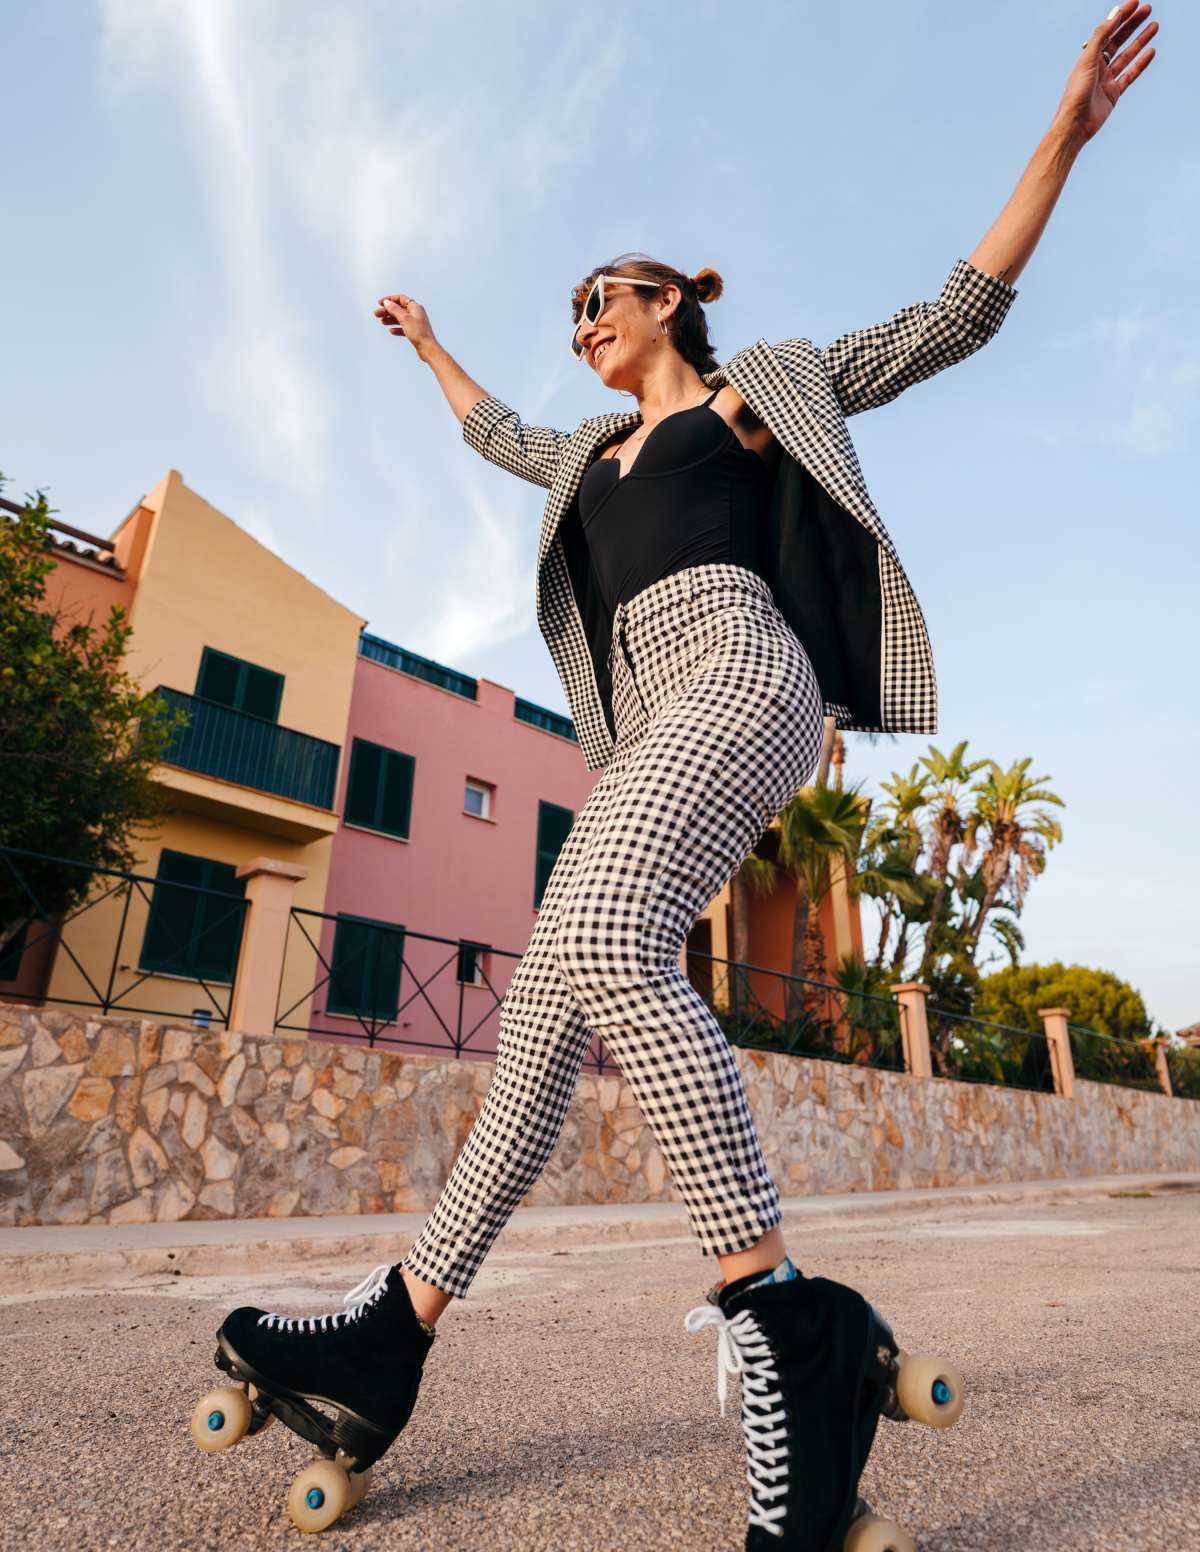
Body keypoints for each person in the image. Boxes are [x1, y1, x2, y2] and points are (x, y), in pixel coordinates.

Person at [206, 8, 1157, 1543]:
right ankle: (397, 1330)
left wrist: (1062, 132)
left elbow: (952, 316)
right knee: (545, 1023)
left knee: (595, 942)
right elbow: (496, 432)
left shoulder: (753, 395)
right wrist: (432, 343)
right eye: (569, 307)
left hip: (748, 673)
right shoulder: (584, 459)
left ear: (674, 300)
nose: (581, 317)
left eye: (603, 295)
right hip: (650, 725)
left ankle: (779, 1310)